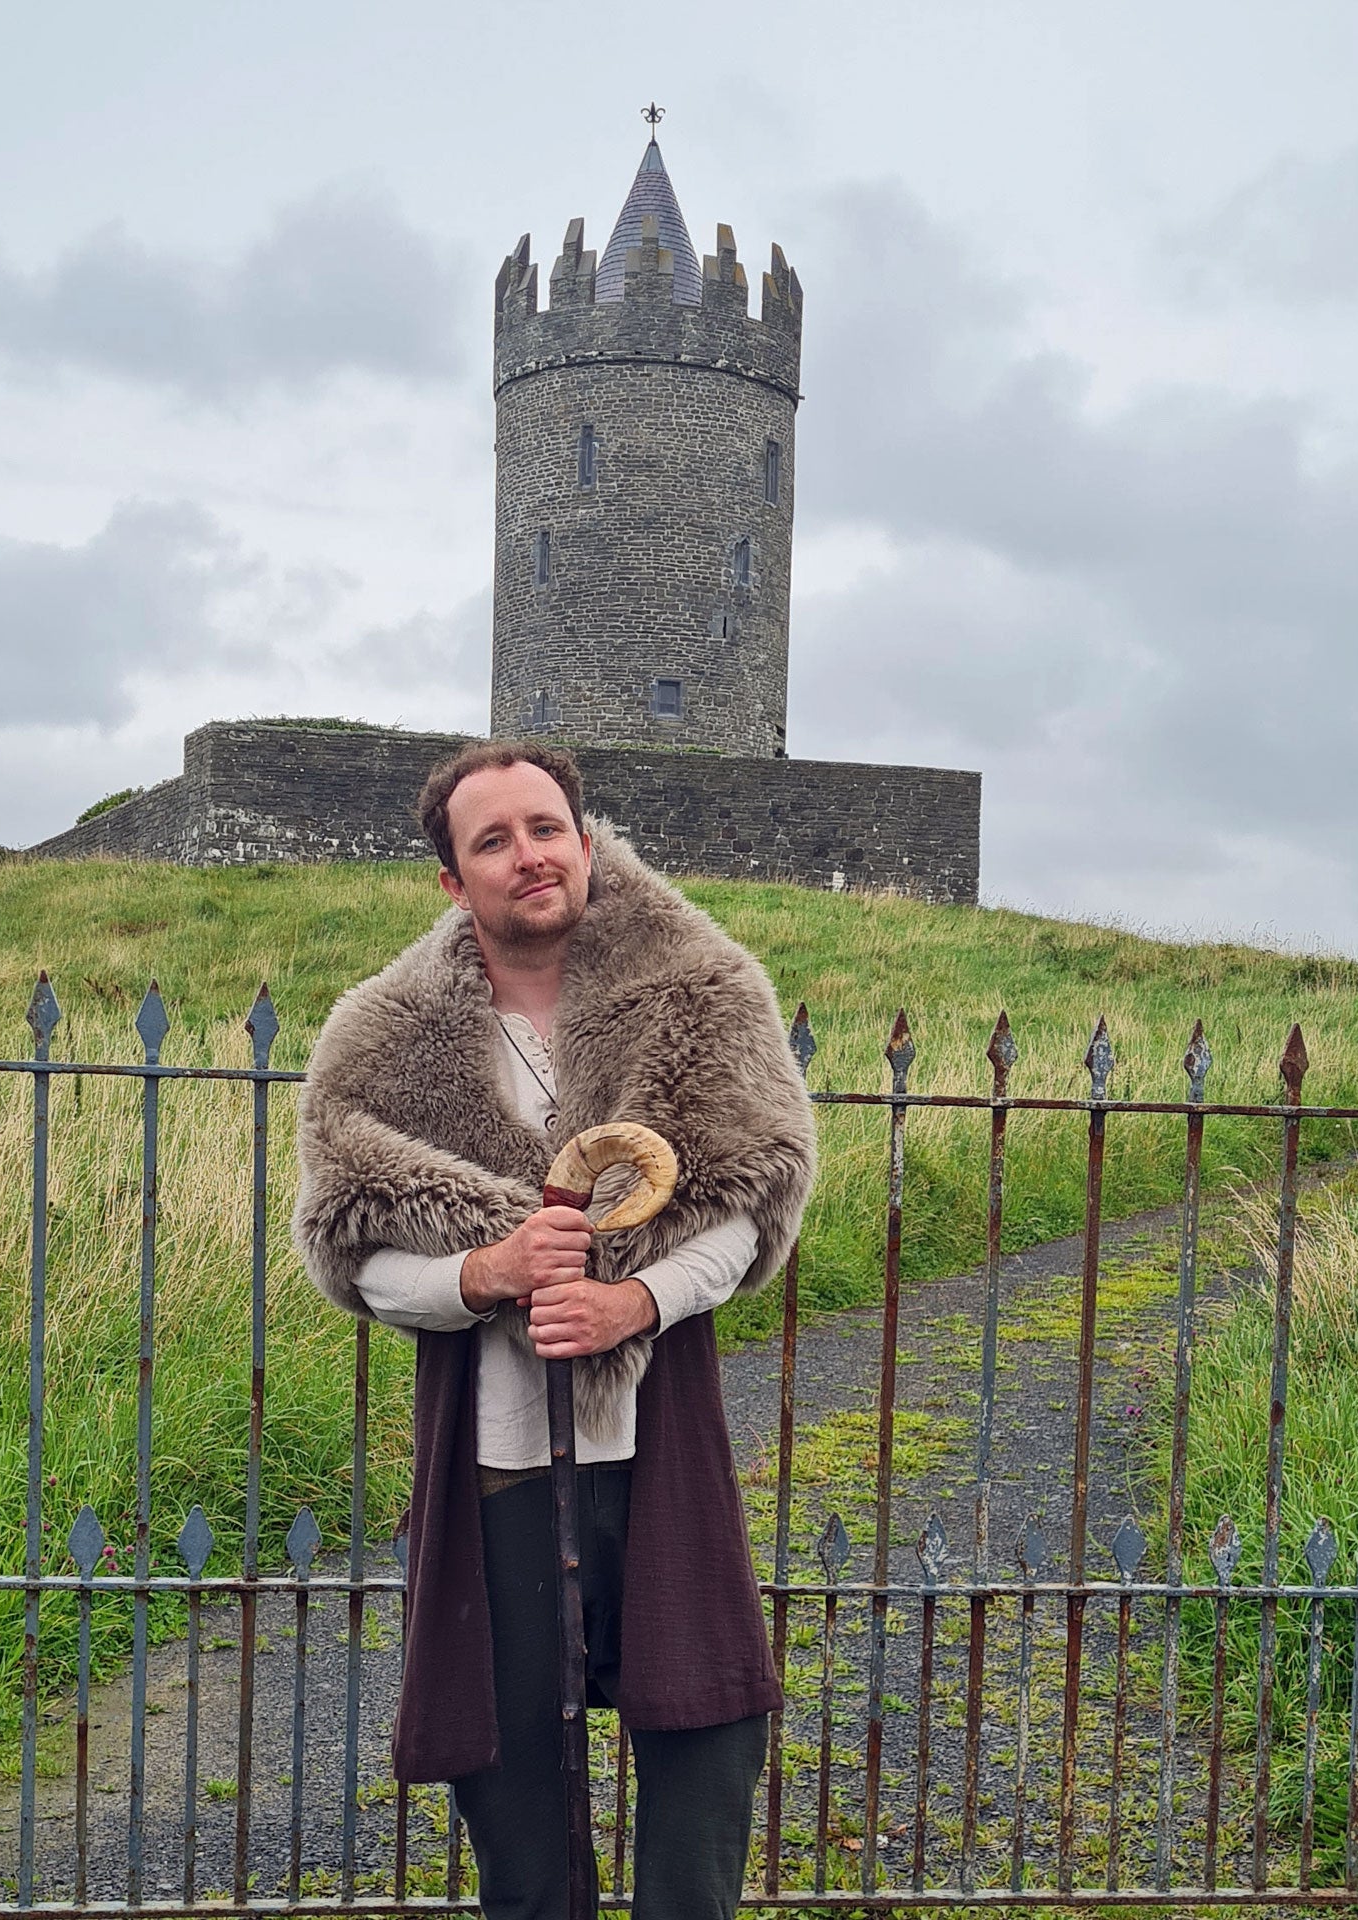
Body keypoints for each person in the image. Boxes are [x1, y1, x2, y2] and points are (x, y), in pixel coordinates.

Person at [293, 740, 816, 1920]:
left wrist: (637, 1299)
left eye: (545, 828)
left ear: (585, 839)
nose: (528, 856)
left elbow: (750, 1200)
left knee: (706, 1731)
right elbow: (356, 1250)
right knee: (514, 1775)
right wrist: (487, 1271)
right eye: (493, 841)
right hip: (495, 1459)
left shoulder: (703, 989)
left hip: (653, 1439)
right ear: (451, 881)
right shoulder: (380, 1037)